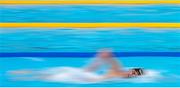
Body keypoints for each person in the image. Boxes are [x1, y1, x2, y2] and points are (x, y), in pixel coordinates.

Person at [9, 49, 144, 82]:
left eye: (131, 71)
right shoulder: (117, 75)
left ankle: (23, 74)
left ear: (129, 74)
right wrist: (102, 58)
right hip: (84, 77)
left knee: (48, 75)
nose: (129, 70)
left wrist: (107, 56)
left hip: (85, 76)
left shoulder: (118, 73)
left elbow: (114, 63)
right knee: (47, 76)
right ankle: (24, 75)